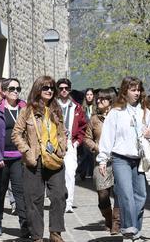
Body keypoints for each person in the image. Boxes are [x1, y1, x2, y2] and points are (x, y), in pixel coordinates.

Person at [97, 76, 150, 241]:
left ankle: (135, 230)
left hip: (139, 159)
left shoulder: (144, 112)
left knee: (141, 195)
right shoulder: (116, 113)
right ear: (125, 91)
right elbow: (107, 137)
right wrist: (103, 159)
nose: (137, 93)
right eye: (133, 90)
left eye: (139, 89)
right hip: (120, 159)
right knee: (126, 194)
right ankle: (129, 230)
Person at [12, 75, 68, 242]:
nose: (50, 90)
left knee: (59, 195)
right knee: (34, 200)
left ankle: (55, 232)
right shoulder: (27, 111)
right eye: (45, 88)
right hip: (34, 161)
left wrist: (62, 147)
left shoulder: (57, 110)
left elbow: (62, 132)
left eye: (51, 88)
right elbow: (16, 134)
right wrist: (27, 151)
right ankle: (37, 236)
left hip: (54, 159)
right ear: (38, 90)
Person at [0, 78, 31, 237]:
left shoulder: (25, 108)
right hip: (0, 158)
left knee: (20, 190)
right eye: (12, 89)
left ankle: (24, 224)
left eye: (18, 88)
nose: (16, 91)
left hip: (19, 157)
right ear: (4, 92)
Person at [83, 88, 121, 234]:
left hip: (118, 159)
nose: (98, 101)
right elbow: (86, 138)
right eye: (97, 99)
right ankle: (108, 218)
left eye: (102, 99)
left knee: (119, 192)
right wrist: (97, 147)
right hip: (100, 161)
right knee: (103, 194)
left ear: (110, 101)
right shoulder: (94, 119)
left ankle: (116, 223)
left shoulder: (119, 116)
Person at [55, 78, 88, 213]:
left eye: (66, 88)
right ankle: (57, 200)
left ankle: (68, 202)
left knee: (70, 172)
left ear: (69, 89)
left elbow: (83, 127)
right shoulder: (52, 106)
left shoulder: (76, 107)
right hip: (54, 143)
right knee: (56, 174)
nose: (64, 90)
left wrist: (77, 142)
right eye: (61, 88)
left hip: (70, 143)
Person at [77, 88, 97, 181]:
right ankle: (83, 171)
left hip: (94, 134)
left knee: (91, 154)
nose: (89, 96)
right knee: (86, 153)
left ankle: (87, 171)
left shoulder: (96, 108)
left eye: (91, 95)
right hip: (85, 134)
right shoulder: (82, 108)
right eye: (88, 95)